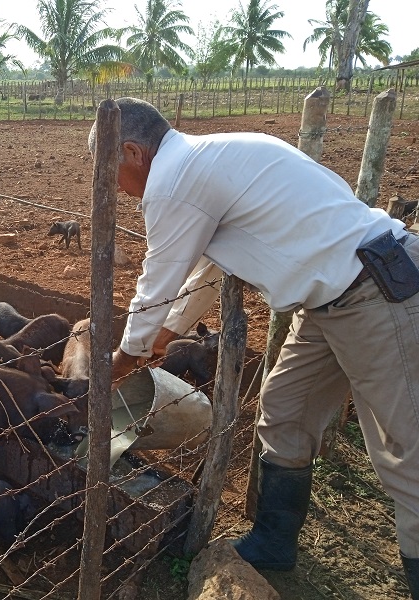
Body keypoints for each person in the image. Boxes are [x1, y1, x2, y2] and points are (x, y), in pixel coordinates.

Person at [90, 96, 419, 597]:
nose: (122, 192)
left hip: (374, 293)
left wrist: (125, 357)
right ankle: (274, 542)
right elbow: (207, 266)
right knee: (284, 409)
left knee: (405, 450)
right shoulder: (208, 160)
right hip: (331, 297)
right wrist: (164, 334)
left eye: (113, 177)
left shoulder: (174, 180)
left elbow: (158, 277)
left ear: (133, 152)